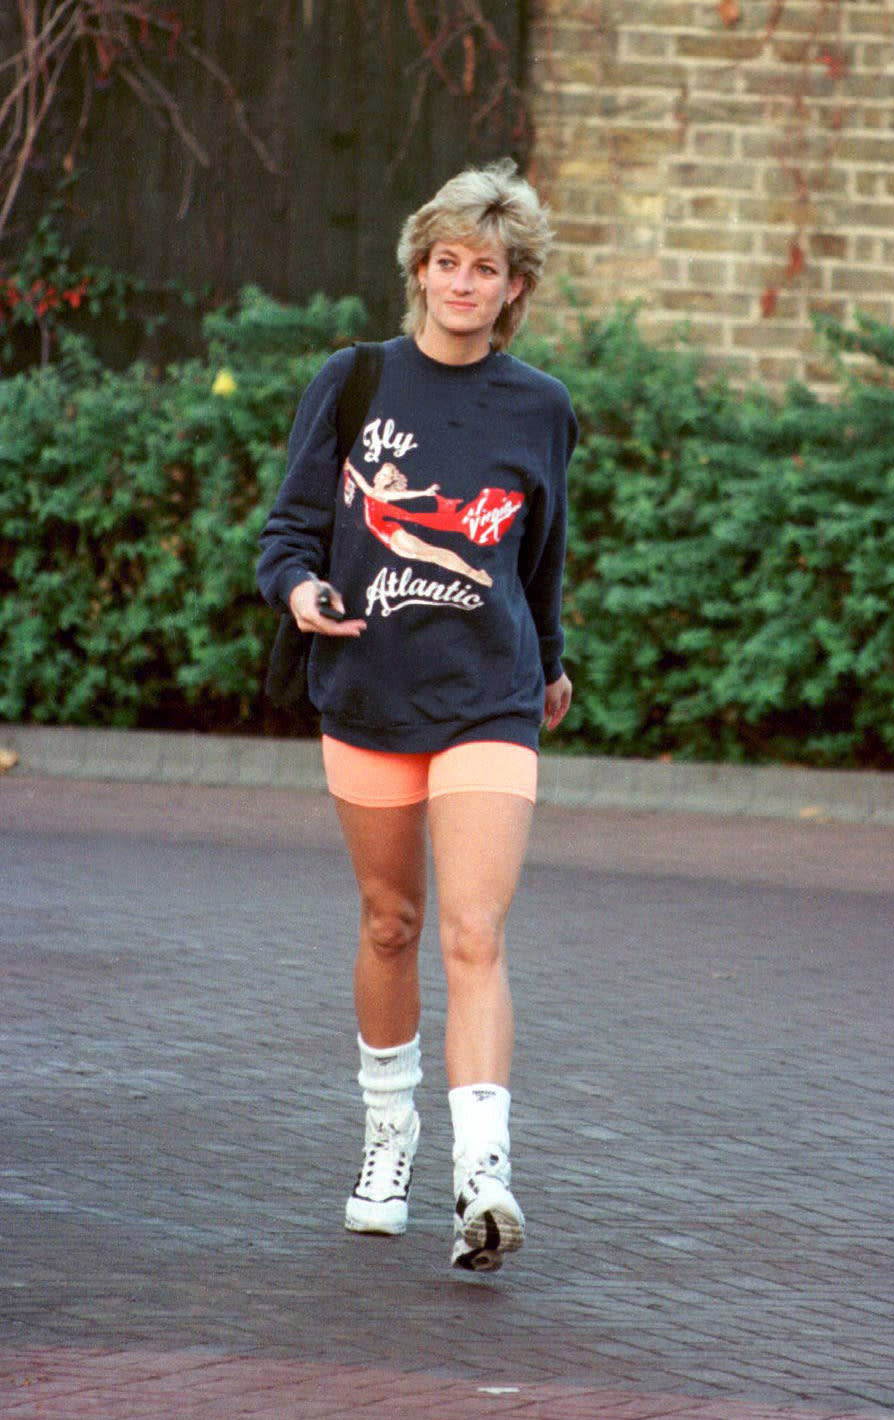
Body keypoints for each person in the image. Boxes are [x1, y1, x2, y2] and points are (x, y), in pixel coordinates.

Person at [257, 158, 577, 1272]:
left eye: (484, 268)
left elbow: (541, 556)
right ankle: (386, 1140)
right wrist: (301, 592)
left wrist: (551, 660)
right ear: (419, 270)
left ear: (512, 288)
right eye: (445, 262)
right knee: (391, 920)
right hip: (367, 687)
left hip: (491, 691)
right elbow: (288, 530)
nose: (460, 283)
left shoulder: (541, 407)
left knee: (472, 930)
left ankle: (480, 1177)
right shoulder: (353, 383)